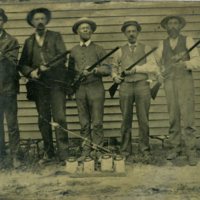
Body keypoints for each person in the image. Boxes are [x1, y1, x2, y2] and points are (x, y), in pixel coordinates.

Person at [18, 8, 70, 162]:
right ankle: (49, 153)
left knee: (60, 117)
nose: (40, 21)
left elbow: (62, 57)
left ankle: (64, 154)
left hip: (56, 84)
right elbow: (22, 64)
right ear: (32, 22)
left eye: (42, 18)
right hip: (39, 86)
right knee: (44, 119)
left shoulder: (56, 36)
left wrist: (50, 67)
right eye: (36, 19)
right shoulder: (29, 42)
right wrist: (31, 72)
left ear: (46, 21)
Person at [156, 15, 200, 166]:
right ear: (166, 27)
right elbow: (157, 64)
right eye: (170, 24)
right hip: (169, 83)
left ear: (180, 26)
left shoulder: (188, 40)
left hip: (185, 82)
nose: (173, 26)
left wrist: (183, 64)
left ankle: (191, 151)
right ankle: (175, 147)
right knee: (173, 116)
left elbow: (197, 62)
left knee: (188, 118)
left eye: (176, 23)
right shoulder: (162, 44)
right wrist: (162, 72)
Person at [111, 21, 158, 161]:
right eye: (128, 31)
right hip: (125, 87)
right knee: (126, 119)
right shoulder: (120, 50)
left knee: (143, 119)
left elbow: (153, 67)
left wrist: (137, 69)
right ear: (125, 34)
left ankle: (144, 149)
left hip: (142, 86)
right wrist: (115, 77)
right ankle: (125, 150)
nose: (131, 34)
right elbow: (113, 67)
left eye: (134, 31)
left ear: (138, 33)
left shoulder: (146, 48)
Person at [69, 18, 111, 161]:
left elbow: (107, 69)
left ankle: (98, 150)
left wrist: (94, 71)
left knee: (97, 122)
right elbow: (69, 72)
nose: (85, 30)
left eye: (88, 28)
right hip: (80, 89)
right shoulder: (73, 50)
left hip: (96, 88)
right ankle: (85, 151)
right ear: (77, 32)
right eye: (82, 28)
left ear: (92, 31)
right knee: (84, 122)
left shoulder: (99, 49)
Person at [0, 8, 20, 167]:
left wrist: (2, 55)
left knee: (12, 123)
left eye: (0, 19)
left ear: (4, 21)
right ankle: (1, 156)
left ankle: (15, 156)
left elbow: (14, 64)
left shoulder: (11, 41)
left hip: (8, 88)